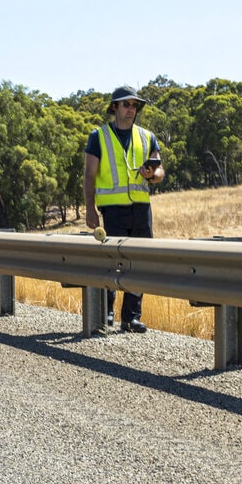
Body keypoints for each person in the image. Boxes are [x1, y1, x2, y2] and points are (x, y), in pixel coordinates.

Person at [83, 85, 165, 333]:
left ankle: (131, 317)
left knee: (138, 262)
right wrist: (90, 209)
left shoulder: (147, 136)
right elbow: (89, 175)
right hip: (112, 209)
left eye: (135, 105)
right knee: (113, 261)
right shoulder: (99, 136)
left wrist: (153, 174)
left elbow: (160, 171)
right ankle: (106, 312)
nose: (132, 109)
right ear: (115, 107)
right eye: (126, 104)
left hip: (141, 208)